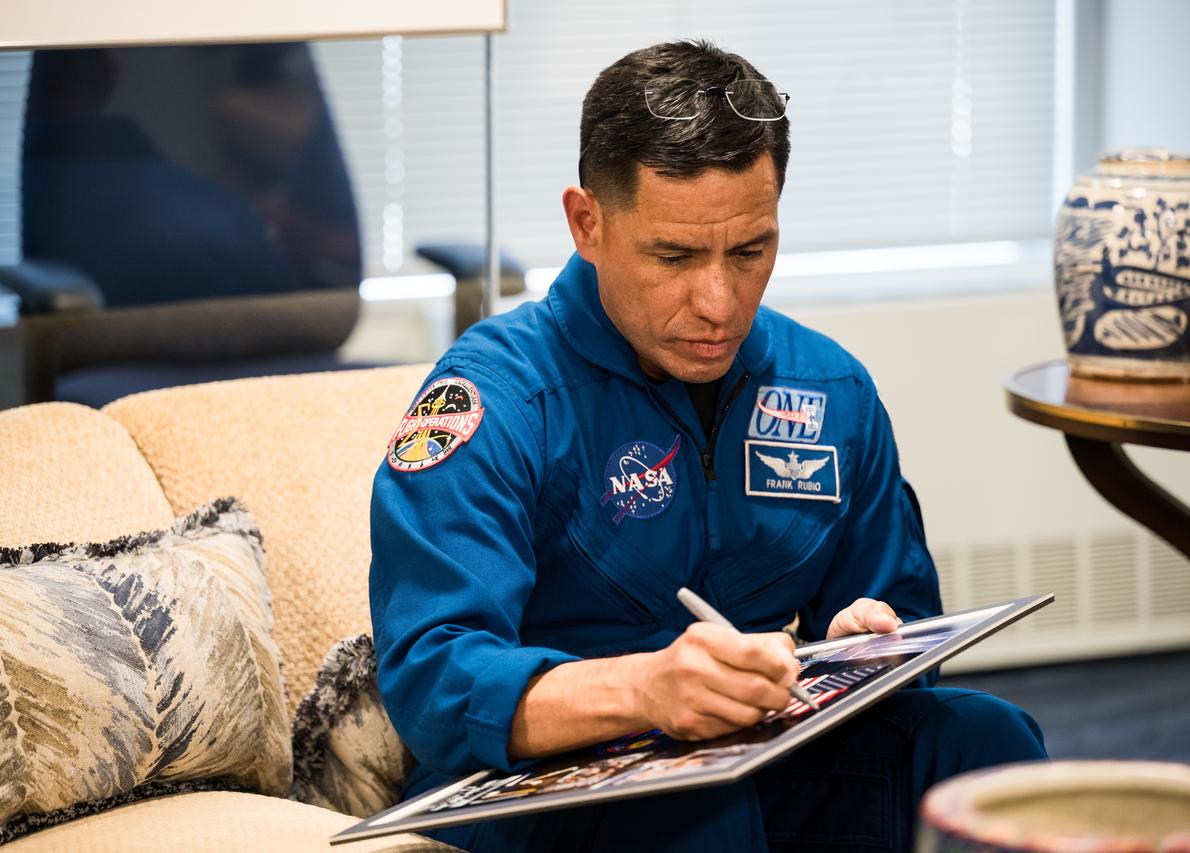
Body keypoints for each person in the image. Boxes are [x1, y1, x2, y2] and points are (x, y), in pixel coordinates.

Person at [369, 39, 1046, 853]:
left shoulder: (831, 389)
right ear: (588, 223)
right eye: (675, 256)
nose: (719, 302)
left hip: (758, 753)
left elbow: (907, 625)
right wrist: (643, 689)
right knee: (697, 811)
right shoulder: (497, 399)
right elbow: (433, 676)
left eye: (750, 251)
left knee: (986, 741)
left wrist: (862, 645)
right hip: (537, 791)